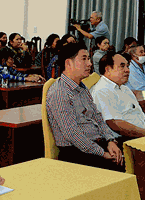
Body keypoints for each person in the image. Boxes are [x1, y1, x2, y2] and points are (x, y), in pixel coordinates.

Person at [45, 42, 124, 171]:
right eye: (84, 59)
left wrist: (110, 141)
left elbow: (98, 117)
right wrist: (102, 153)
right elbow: (72, 134)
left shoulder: (82, 88)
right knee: (124, 165)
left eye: (89, 59)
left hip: (96, 144)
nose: (89, 64)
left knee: (132, 153)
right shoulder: (59, 92)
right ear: (68, 63)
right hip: (76, 153)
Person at [91, 51, 145, 139]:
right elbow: (116, 124)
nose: (127, 70)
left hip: (143, 136)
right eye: (122, 66)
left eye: (127, 66)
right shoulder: (102, 90)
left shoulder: (125, 89)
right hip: (124, 139)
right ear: (108, 69)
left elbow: (142, 117)